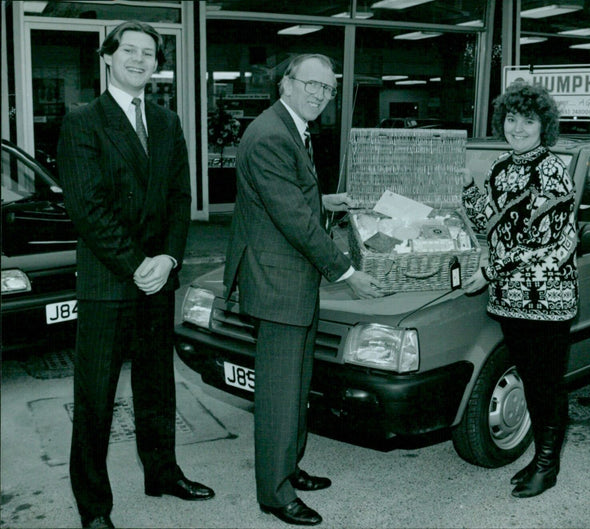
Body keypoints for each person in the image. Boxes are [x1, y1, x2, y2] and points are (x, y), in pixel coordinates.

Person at [57, 20, 214, 529]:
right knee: (96, 397)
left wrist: (168, 259)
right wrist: (137, 265)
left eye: (149, 53)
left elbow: (179, 199)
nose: (140, 60)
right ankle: (94, 508)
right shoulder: (84, 121)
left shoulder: (167, 122)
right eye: (130, 50)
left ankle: (163, 473)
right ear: (108, 57)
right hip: (109, 280)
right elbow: (89, 209)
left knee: (156, 386)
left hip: (156, 278)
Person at [223, 53, 382, 526]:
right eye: (310, 84)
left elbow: (289, 196)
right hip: (277, 282)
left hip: (289, 279)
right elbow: (293, 219)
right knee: (278, 391)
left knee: (296, 385)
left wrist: (326, 199)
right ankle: (274, 494)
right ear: (285, 84)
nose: (319, 94)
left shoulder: (288, 126)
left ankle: (287, 468)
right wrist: (347, 272)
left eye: (328, 88)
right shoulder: (271, 134)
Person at [461, 81, 578, 499]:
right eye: (512, 119)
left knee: (546, 383)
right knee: (530, 379)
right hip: (510, 297)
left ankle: (548, 466)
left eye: (528, 120)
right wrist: (467, 188)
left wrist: (491, 271)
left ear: (544, 125)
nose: (518, 127)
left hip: (546, 296)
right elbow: (488, 226)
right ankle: (540, 459)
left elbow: (540, 240)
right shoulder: (500, 167)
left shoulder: (551, 169)